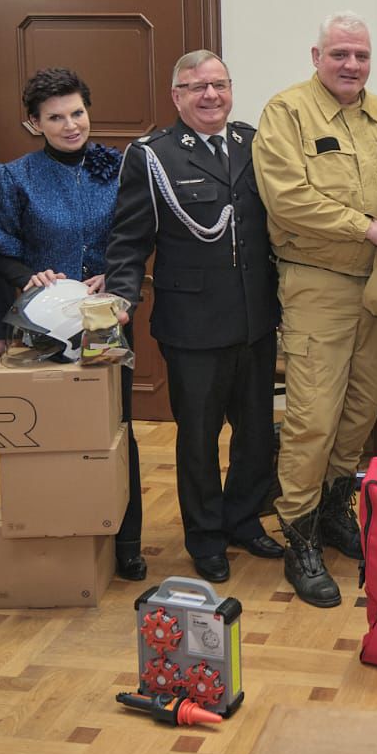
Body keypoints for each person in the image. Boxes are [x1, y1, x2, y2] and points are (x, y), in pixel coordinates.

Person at [105, 51, 283, 584]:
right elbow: (129, 237)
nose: (211, 96)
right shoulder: (153, 156)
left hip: (254, 319)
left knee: (255, 432)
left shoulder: (253, 143)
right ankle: (204, 535)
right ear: (176, 96)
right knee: (199, 437)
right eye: (197, 87)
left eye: (220, 85)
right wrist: (120, 295)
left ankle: (243, 518)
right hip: (193, 326)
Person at [253, 11, 377, 607]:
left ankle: (338, 510)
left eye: (361, 56)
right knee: (313, 413)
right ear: (316, 56)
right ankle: (300, 533)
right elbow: (287, 201)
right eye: (339, 54)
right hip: (317, 284)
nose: (351, 65)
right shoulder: (286, 112)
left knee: (362, 408)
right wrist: (367, 228)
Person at [0, 68, 145, 580]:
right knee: (54, 434)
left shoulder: (118, 169)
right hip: (42, 327)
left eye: (77, 112)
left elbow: (138, 237)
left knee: (116, 428)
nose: (71, 125)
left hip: (106, 320)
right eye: (56, 117)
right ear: (34, 123)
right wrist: (29, 274)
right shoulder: (14, 176)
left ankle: (127, 540)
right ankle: (60, 529)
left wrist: (113, 276)